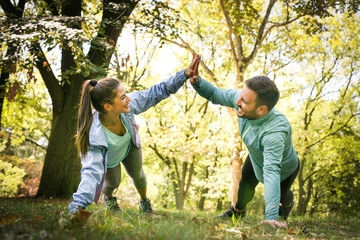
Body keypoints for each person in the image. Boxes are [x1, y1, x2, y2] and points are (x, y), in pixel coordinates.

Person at [68, 54, 201, 215]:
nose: (128, 99)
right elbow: (91, 172)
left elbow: (156, 92)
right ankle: (108, 198)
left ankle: (144, 201)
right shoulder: (93, 134)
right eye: (123, 97)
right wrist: (78, 204)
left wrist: (184, 75)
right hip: (109, 159)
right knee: (112, 183)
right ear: (108, 106)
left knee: (138, 175)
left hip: (129, 146)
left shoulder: (127, 107)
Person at [189, 62, 299, 228]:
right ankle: (238, 211)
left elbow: (271, 171)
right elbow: (216, 94)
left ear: (261, 109)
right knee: (244, 187)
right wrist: (197, 82)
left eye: (244, 101)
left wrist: (270, 216)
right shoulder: (242, 100)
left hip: (283, 167)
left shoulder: (275, 132)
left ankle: (286, 207)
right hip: (256, 156)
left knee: (283, 195)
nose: (237, 102)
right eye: (240, 96)